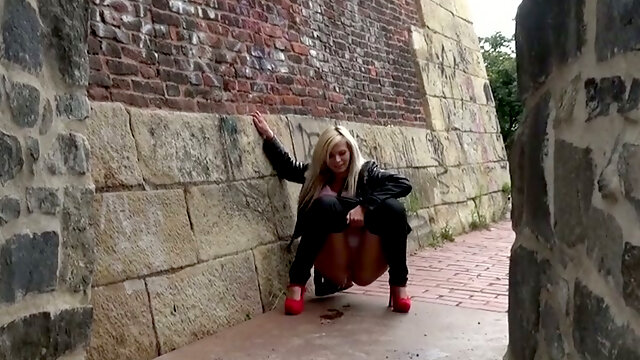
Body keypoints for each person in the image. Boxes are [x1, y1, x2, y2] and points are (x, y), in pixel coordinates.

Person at [252, 111, 413, 315]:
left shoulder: (366, 173)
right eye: (330, 155)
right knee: (325, 205)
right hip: (334, 262)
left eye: (342, 153)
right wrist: (269, 137)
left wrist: (364, 207)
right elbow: (288, 169)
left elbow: (403, 183)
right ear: (323, 156)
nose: (337, 160)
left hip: (367, 261)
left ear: (351, 152)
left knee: (393, 208)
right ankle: (296, 284)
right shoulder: (317, 176)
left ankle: (399, 286)